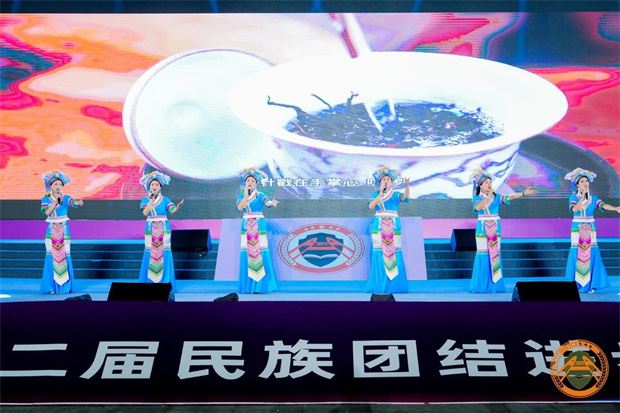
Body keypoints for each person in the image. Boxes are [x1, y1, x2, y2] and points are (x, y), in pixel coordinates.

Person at [469, 169, 536, 293]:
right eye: (486, 183)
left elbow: (510, 197)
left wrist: (523, 193)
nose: (489, 184)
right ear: (480, 186)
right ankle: (482, 284)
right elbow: (478, 208)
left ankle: (495, 285)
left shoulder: (496, 197)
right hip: (482, 228)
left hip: (495, 227)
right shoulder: (477, 198)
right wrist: (488, 196)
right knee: (483, 254)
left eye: (490, 182)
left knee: (495, 254)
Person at [564, 167, 619, 293]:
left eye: (586, 181)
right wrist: (582, 197)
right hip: (578, 228)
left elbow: (603, 205)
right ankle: (576, 285)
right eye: (582, 181)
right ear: (577, 185)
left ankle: (590, 285)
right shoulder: (573, 198)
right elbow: (574, 210)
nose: (585, 183)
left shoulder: (593, 198)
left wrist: (615, 208)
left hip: (590, 228)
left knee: (591, 253)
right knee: (578, 253)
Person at [364, 166, 410, 294]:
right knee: (379, 251)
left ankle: (393, 285)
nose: (386, 181)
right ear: (380, 182)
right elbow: (371, 206)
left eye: (388, 179)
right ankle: (380, 283)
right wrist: (380, 195)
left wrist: (407, 185)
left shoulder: (395, 194)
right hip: (379, 224)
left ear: (392, 182)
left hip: (393, 224)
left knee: (394, 251)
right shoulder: (375, 195)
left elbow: (405, 197)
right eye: (383, 179)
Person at [138, 171, 184, 291]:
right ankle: (149, 283)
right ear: (149, 186)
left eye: (157, 185)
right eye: (152, 184)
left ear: (160, 187)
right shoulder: (144, 200)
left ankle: (165, 283)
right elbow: (145, 212)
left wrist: (178, 207)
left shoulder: (165, 199)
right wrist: (151, 200)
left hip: (163, 228)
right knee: (150, 252)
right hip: (151, 228)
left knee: (164, 252)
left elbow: (172, 210)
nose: (154, 186)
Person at [40, 170, 84, 294]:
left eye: (60, 184)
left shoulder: (66, 198)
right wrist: (55, 202)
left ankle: (65, 287)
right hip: (51, 230)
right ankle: (51, 287)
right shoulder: (45, 199)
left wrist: (77, 202)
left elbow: (72, 202)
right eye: (56, 184)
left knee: (65, 256)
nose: (58, 186)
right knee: (51, 256)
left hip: (64, 230)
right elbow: (47, 212)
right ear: (50, 186)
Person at [236, 168, 279, 294]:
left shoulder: (260, 195)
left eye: (252, 181)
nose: (250, 182)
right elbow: (240, 208)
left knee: (260, 252)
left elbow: (267, 202)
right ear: (245, 183)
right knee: (247, 252)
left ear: (256, 183)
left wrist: (271, 203)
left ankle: (261, 286)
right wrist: (245, 197)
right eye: (248, 180)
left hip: (259, 224)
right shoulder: (241, 196)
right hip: (246, 224)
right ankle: (249, 286)